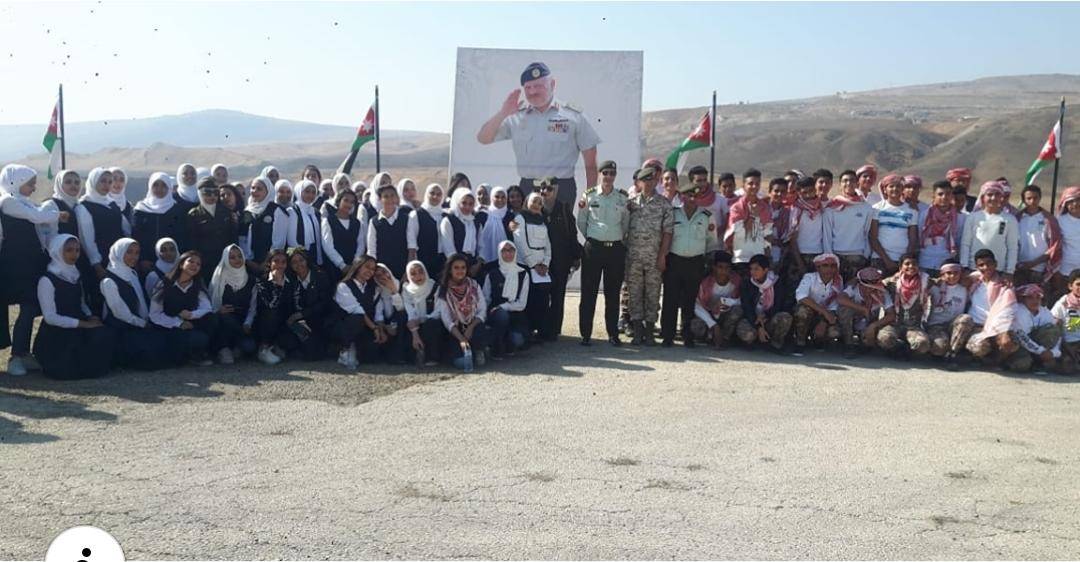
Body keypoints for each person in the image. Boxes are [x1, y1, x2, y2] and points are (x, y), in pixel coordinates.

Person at [476, 61, 600, 205]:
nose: (533, 92)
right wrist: (503, 113)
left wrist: (590, 198)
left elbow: (591, 163)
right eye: (528, 87)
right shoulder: (516, 115)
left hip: (561, 190)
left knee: (560, 221)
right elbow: (483, 138)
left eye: (538, 86)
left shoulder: (574, 116)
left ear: (552, 84)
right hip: (527, 189)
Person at [1, 165, 60, 375]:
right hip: (13, 267)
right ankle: (15, 358)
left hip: (31, 264)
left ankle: (22, 353)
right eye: (30, 184)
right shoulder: (8, 202)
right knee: (23, 307)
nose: (34, 188)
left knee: (30, 308)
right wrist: (54, 212)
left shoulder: (25, 203)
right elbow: (37, 217)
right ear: (15, 182)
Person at [33, 234, 115, 379]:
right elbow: (50, 317)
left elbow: (81, 302)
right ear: (57, 251)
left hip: (79, 323)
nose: (74, 254)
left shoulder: (75, 274)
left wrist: (90, 316)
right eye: (69, 250)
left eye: (77, 250)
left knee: (103, 333)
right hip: (58, 332)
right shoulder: (47, 280)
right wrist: (83, 324)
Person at [100, 237, 176, 370]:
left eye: (137, 253)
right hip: (121, 328)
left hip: (136, 324)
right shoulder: (108, 281)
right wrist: (143, 324)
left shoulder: (132, 274)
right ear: (118, 252)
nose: (134, 257)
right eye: (129, 252)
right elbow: (120, 313)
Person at [576, 160, 629, 346]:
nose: (608, 177)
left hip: (615, 250)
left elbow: (626, 223)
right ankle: (585, 334)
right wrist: (593, 238)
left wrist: (615, 238)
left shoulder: (622, 198)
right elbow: (581, 221)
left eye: (612, 173)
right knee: (588, 293)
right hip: (594, 249)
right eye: (605, 173)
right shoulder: (589, 196)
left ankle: (613, 334)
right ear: (600, 174)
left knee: (612, 294)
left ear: (615, 176)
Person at [661, 183, 716, 348]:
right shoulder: (673, 214)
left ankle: (687, 335)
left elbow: (711, 241)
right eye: (689, 195)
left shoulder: (706, 216)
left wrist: (706, 262)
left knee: (690, 301)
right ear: (681, 196)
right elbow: (665, 236)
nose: (692, 199)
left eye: (696, 196)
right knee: (670, 299)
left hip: (695, 262)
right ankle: (668, 335)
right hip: (674, 261)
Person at [624, 167, 673, 345]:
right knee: (634, 294)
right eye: (645, 180)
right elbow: (623, 228)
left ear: (656, 182)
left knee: (653, 294)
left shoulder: (664, 204)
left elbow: (668, 232)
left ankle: (650, 332)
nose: (649, 183)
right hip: (634, 258)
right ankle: (638, 331)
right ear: (639, 182)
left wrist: (662, 256)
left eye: (652, 180)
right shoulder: (631, 204)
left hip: (654, 257)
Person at [149, 250, 218, 366]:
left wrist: (191, 315)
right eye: (191, 261)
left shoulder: (197, 285)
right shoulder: (164, 284)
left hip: (190, 323)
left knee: (211, 320)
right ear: (181, 264)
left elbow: (207, 308)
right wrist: (179, 323)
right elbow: (154, 314)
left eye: (198, 264)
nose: (195, 265)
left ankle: (199, 353)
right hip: (169, 325)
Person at [77, 167, 130, 302]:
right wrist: (96, 264)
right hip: (100, 262)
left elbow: (125, 229)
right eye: (102, 181)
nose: (107, 185)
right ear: (93, 182)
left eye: (109, 182)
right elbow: (87, 239)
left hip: (117, 259)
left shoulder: (111, 204)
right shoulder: (84, 207)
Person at [539, 176, 581, 341]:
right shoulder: (536, 208)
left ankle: (554, 330)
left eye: (549, 189)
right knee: (541, 296)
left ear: (556, 190)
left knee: (558, 296)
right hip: (541, 261)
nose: (545, 192)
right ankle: (541, 329)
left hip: (560, 261)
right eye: (543, 188)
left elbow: (572, 234)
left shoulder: (564, 209)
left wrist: (576, 256)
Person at [964, 249, 1019, 366]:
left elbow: (1008, 311)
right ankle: (976, 357)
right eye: (981, 265)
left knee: (1008, 343)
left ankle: (996, 361)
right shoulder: (973, 281)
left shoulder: (1004, 285)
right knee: (979, 347)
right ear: (976, 267)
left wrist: (1003, 331)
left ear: (996, 264)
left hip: (998, 326)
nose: (986, 267)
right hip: (976, 326)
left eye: (989, 263)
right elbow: (950, 277)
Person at [510, 191, 552, 341]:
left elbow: (547, 244)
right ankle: (526, 333)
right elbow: (520, 243)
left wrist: (546, 263)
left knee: (542, 301)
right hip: (526, 266)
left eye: (540, 203)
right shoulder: (519, 219)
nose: (536, 205)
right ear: (527, 202)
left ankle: (541, 331)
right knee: (528, 300)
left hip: (542, 268)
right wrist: (533, 265)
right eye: (534, 201)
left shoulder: (542, 220)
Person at [439, 253, 492, 369]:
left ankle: (479, 350)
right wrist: (462, 339)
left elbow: (482, 311)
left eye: (463, 267)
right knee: (461, 363)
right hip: (455, 330)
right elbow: (446, 319)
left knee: (480, 328)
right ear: (450, 270)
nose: (460, 271)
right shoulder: (444, 290)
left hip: (473, 326)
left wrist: (470, 328)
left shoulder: (474, 285)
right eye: (456, 268)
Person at [331, 255, 385, 369]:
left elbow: (378, 313)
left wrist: (380, 330)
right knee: (357, 318)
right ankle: (345, 349)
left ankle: (357, 349)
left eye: (373, 269)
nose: (370, 271)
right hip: (344, 326)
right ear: (358, 266)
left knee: (372, 355)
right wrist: (374, 328)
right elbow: (357, 309)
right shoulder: (343, 286)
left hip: (365, 328)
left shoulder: (375, 289)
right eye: (367, 267)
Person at [208, 244, 258, 363]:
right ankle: (223, 348)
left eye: (240, 256)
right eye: (232, 257)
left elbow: (253, 307)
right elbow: (210, 304)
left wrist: (248, 323)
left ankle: (236, 345)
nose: (237, 260)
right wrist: (218, 310)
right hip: (223, 321)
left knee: (249, 347)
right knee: (224, 319)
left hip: (242, 321)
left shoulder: (252, 280)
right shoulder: (218, 278)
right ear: (226, 259)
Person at [960, 181, 1019, 279]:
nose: (993, 198)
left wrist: (1009, 271)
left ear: (1001, 197)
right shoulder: (973, 217)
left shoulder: (1010, 219)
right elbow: (966, 244)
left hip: (999, 270)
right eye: (990, 195)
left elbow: (1012, 247)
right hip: (974, 269)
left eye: (997, 194)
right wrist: (964, 267)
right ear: (983, 197)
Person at [480, 241, 530, 358]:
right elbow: (485, 298)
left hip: (515, 314)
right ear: (499, 253)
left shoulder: (523, 274)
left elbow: (522, 303)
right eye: (504, 251)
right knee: (502, 315)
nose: (508, 254)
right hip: (495, 313)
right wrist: (483, 316)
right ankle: (496, 347)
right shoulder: (492, 274)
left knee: (517, 339)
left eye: (511, 250)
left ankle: (506, 343)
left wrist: (503, 306)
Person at [185, 177, 239, 283]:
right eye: (208, 193)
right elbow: (191, 243)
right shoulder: (193, 215)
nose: (212, 196)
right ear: (200, 193)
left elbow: (233, 238)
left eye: (216, 193)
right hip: (204, 263)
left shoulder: (226, 212)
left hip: (225, 261)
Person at [823, 169, 873, 283]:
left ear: (857, 183)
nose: (848, 183)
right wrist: (830, 259)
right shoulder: (831, 208)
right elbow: (827, 235)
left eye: (852, 180)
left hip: (857, 256)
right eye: (845, 181)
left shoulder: (866, 208)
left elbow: (867, 233)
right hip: (837, 256)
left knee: (854, 289)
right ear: (840, 184)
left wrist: (865, 256)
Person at [784, 176, 826, 309]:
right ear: (799, 193)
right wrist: (800, 264)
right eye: (804, 192)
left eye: (811, 191)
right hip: (799, 256)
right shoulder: (796, 209)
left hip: (817, 255)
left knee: (815, 293)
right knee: (794, 293)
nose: (808, 195)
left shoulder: (822, 207)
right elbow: (792, 239)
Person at [282, 248, 331, 361]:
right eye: (294, 262)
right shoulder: (291, 281)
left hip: (319, 319)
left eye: (301, 260)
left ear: (307, 261)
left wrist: (302, 314)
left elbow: (325, 303)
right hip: (298, 322)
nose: (298, 264)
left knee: (314, 355)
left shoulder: (320, 277)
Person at [735, 254, 793, 351]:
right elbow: (747, 306)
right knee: (748, 334)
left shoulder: (777, 283)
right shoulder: (747, 283)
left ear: (765, 270)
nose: (753, 272)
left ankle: (775, 344)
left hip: (769, 318)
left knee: (785, 317)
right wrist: (758, 326)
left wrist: (765, 316)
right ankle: (755, 341)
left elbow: (779, 305)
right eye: (751, 269)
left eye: (756, 269)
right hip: (752, 319)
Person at [878, 255, 931, 358]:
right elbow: (875, 284)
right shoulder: (892, 281)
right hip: (894, 324)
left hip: (914, 327)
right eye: (907, 264)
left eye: (914, 264)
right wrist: (854, 281)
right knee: (884, 339)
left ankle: (908, 351)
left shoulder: (925, 281)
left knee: (923, 345)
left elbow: (942, 281)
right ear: (900, 267)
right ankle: (895, 349)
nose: (911, 266)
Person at [925, 260, 975, 369]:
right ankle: (937, 353)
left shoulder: (965, 288)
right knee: (939, 347)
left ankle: (952, 354)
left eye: (956, 273)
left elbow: (978, 277)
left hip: (954, 325)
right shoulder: (935, 287)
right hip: (936, 325)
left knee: (966, 319)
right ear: (942, 274)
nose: (952, 276)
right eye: (948, 273)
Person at [132, 172, 185, 272]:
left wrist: (178, 259)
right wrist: (142, 258)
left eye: (164, 185)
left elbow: (181, 236)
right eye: (155, 185)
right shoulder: (140, 210)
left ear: (169, 187)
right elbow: (136, 236)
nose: (159, 189)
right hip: (146, 263)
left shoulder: (176, 210)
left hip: (172, 261)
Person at [837, 267, 895, 357]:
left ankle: (867, 344)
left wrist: (874, 325)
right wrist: (862, 309)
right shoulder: (853, 288)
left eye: (872, 287)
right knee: (844, 309)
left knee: (870, 341)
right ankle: (848, 344)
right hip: (853, 320)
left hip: (869, 322)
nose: (869, 289)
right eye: (866, 287)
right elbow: (840, 299)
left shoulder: (882, 293)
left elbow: (891, 315)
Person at [793, 253, 844, 353]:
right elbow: (801, 296)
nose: (829, 269)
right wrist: (824, 312)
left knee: (835, 332)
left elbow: (835, 305)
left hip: (824, 316)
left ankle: (818, 340)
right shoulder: (809, 277)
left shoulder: (838, 281)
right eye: (825, 265)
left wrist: (823, 321)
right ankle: (800, 342)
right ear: (818, 268)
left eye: (833, 266)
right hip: (809, 313)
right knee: (802, 310)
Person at [724, 169, 774, 270]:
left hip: (759, 258)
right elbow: (741, 232)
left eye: (757, 184)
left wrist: (767, 255)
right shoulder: (736, 208)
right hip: (741, 258)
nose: (754, 186)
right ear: (743, 185)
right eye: (751, 183)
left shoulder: (765, 208)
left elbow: (768, 234)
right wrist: (753, 215)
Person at [1005, 284, 1061, 372]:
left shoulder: (1045, 312)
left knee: (1052, 330)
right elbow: (1021, 337)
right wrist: (1041, 351)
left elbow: (1057, 334)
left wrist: (1054, 352)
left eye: (1038, 297)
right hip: (1021, 345)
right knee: (1021, 365)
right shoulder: (1018, 311)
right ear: (1022, 299)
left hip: (1038, 345)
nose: (1035, 300)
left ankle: (1039, 362)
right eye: (1030, 297)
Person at [869, 174, 918, 276]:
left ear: (902, 189)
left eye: (898, 186)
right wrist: (887, 260)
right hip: (880, 259)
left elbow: (913, 239)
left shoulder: (912, 211)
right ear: (885, 190)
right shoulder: (876, 208)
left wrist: (906, 261)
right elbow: (873, 238)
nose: (895, 189)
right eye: (891, 186)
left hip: (902, 261)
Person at [690, 251, 741, 348]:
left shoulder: (737, 281)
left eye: (727, 268)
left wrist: (725, 301)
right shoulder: (705, 283)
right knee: (695, 326)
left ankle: (725, 338)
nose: (723, 271)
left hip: (726, 317)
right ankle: (712, 335)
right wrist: (713, 325)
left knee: (737, 310)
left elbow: (742, 301)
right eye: (720, 267)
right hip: (709, 315)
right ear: (714, 268)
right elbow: (696, 305)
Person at [241, 175, 289, 269]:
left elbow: (279, 241)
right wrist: (247, 260)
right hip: (249, 262)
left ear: (268, 191)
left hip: (272, 263)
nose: (254, 191)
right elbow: (242, 237)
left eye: (259, 189)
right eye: (253, 188)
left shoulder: (277, 211)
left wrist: (266, 262)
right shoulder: (247, 211)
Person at [401, 260, 443, 368]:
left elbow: (439, 311)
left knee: (431, 325)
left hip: (432, 322)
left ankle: (433, 357)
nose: (418, 276)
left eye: (420, 272)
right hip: (415, 325)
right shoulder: (407, 290)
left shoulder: (435, 287)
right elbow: (410, 312)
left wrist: (422, 319)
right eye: (413, 273)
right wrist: (414, 332)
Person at [252, 249, 290, 365]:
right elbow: (270, 304)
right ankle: (264, 348)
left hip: (283, 321)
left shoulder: (290, 281)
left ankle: (276, 345)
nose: (280, 265)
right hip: (264, 321)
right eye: (276, 261)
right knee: (271, 313)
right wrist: (277, 285)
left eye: (283, 262)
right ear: (269, 263)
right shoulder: (261, 280)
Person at [918, 181, 964, 274]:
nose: (944, 197)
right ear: (933, 196)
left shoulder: (960, 218)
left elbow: (959, 241)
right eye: (940, 194)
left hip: (947, 263)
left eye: (948, 194)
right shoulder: (924, 215)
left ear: (952, 196)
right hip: (925, 261)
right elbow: (918, 236)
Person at [366, 183, 409, 280]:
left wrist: (408, 270)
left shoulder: (406, 218)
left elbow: (411, 246)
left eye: (392, 195)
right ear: (380, 199)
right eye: (386, 196)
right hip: (382, 270)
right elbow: (371, 249)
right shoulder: (374, 221)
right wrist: (374, 270)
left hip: (403, 268)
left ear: (397, 197)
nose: (389, 199)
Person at [320, 189, 365, 282]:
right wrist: (342, 265)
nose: (349, 204)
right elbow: (327, 246)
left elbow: (361, 244)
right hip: (334, 268)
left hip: (353, 268)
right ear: (338, 201)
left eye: (352, 202)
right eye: (346, 200)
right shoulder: (328, 221)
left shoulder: (357, 223)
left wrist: (355, 264)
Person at [407, 183, 446, 280]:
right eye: (432, 193)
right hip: (423, 259)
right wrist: (411, 263)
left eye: (439, 194)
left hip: (442, 261)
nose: (435, 196)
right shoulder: (416, 215)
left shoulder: (445, 216)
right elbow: (412, 242)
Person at [439, 188, 483, 274]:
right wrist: (460, 268)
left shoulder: (476, 223)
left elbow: (481, 246)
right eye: (464, 203)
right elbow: (448, 247)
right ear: (457, 202)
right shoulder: (448, 221)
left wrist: (478, 264)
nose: (467, 207)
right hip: (454, 268)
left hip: (472, 267)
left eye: (471, 204)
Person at [373, 263, 407, 364]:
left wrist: (393, 290)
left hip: (402, 325)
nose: (383, 276)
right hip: (387, 326)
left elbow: (401, 309)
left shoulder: (403, 286)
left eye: (384, 272)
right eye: (378, 275)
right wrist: (383, 328)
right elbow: (378, 314)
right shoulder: (377, 291)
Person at [1050, 186, 1080, 297]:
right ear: (1065, 204)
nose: (1075, 204)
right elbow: (1053, 246)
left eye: (1078, 200)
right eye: (1071, 201)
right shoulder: (1059, 221)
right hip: (1064, 271)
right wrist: (1055, 271)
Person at [289, 180, 324, 267]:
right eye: (307, 191)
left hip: (314, 251)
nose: (310, 195)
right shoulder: (293, 210)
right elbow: (291, 239)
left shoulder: (314, 211)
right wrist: (301, 256)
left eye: (313, 192)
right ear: (299, 191)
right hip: (300, 255)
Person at [1051, 270, 1080, 374]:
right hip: (1067, 345)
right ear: (1070, 286)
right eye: (1078, 284)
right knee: (1067, 367)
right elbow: (1054, 327)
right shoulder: (1062, 303)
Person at [478, 185, 510, 264]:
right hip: (484, 258)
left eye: (503, 197)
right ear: (491, 198)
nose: (500, 200)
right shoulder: (483, 214)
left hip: (505, 258)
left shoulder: (510, 216)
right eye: (497, 197)